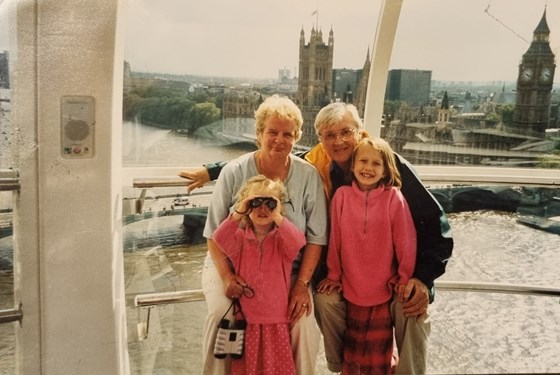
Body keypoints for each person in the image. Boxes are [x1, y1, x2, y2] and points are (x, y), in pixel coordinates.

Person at [180, 102, 453, 374]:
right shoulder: (318, 161)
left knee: (401, 309)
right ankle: (341, 365)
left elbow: (435, 226)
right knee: (226, 316)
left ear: (359, 132)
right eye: (329, 135)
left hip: (381, 272)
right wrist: (212, 170)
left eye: (346, 132)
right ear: (320, 139)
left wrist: (422, 278)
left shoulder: (385, 164)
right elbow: (269, 154)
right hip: (241, 266)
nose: (339, 141)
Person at [200, 94, 328, 375]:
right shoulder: (234, 172)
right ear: (259, 133)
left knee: (303, 324)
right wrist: (227, 277)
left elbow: (317, 238)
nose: (279, 140)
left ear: (297, 137)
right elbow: (213, 234)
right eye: (272, 132)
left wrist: (301, 285)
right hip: (230, 264)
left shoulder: (308, 176)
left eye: (287, 134)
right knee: (221, 314)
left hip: (288, 270)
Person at [317, 137, 417, 374]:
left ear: (385, 171)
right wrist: (333, 274)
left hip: (383, 287)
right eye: (363, 161)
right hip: (351, 286)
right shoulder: (341, 196)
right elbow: (335, 240)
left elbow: (406, 241)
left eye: (376, 163)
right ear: (352, 165)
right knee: (354, 348)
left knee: (378, 350)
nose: (368, 168)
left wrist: (404, 277)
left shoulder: (394, 198)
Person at [212, 175, 306, 375]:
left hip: (276, 321)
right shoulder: (239, 240)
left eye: (269, 203)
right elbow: (218, 238)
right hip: (247, 321)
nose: (263, 208)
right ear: (246, 206)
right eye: (256, 203)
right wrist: (239, 211)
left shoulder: (283, 241)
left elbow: (298, 242)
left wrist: (278, 215)